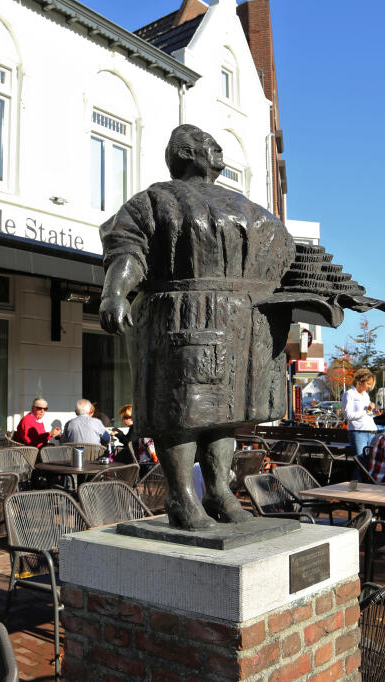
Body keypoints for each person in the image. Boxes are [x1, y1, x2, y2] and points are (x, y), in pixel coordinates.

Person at [100, 124, 295, 529]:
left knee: (226, 413)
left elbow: (285, 254)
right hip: (185, 314)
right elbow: (128, 248)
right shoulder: (155, 200)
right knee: (184, 410)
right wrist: (114, 292)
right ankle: (181, 497)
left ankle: (220, 491)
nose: (218, 150)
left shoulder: (245, 205)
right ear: (186, 154)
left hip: (245, 322)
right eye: (210, 145)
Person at [342, 369, 378, 461]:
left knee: (371, 462)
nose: (369, 387)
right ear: (360, 381)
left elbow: (367, 414)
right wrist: (367, 411)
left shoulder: (366, 395)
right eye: (368, 384)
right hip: (359, 432)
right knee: (361, 463)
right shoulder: (349, 394)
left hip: (371, 431)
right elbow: (348, 415)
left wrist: (373, 414)